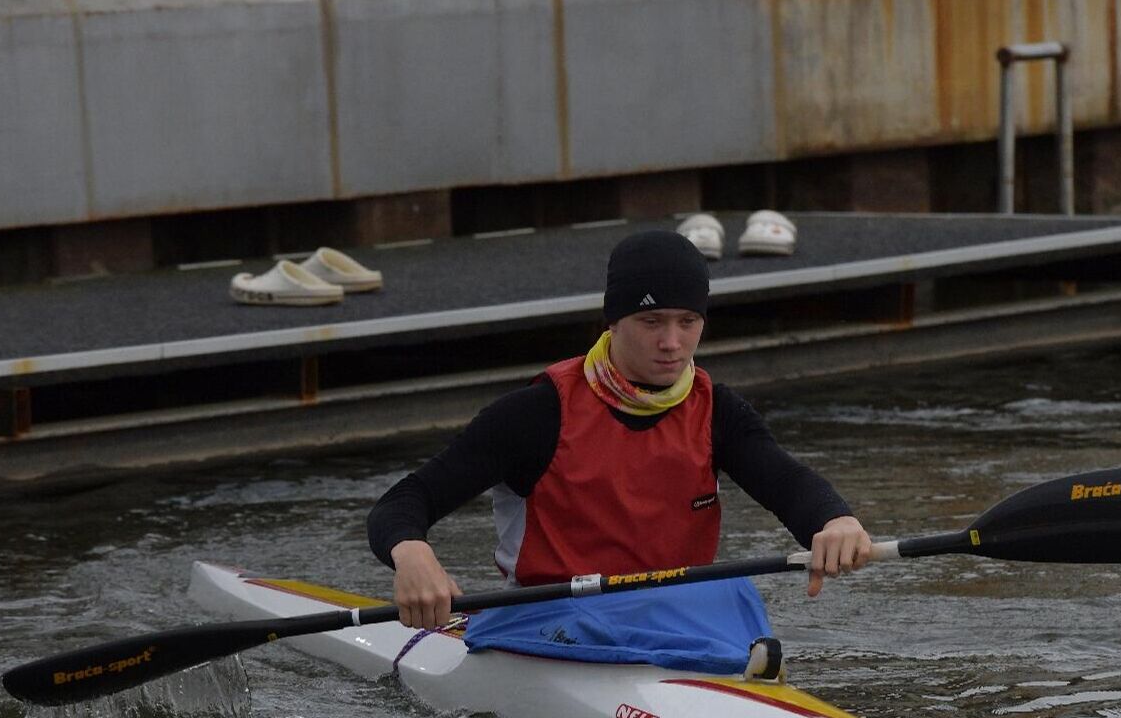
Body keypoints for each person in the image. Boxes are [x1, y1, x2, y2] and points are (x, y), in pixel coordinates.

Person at [367, 228, 872, 633]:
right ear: (614, 320)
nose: (673, 343)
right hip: (552, 624)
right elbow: (405, 501)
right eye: (651, 322)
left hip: (676, 621)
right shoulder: (535, 414)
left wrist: (834, 520)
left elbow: (785, 482)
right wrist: (412, 552)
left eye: (688, 321)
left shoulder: (718, 411)